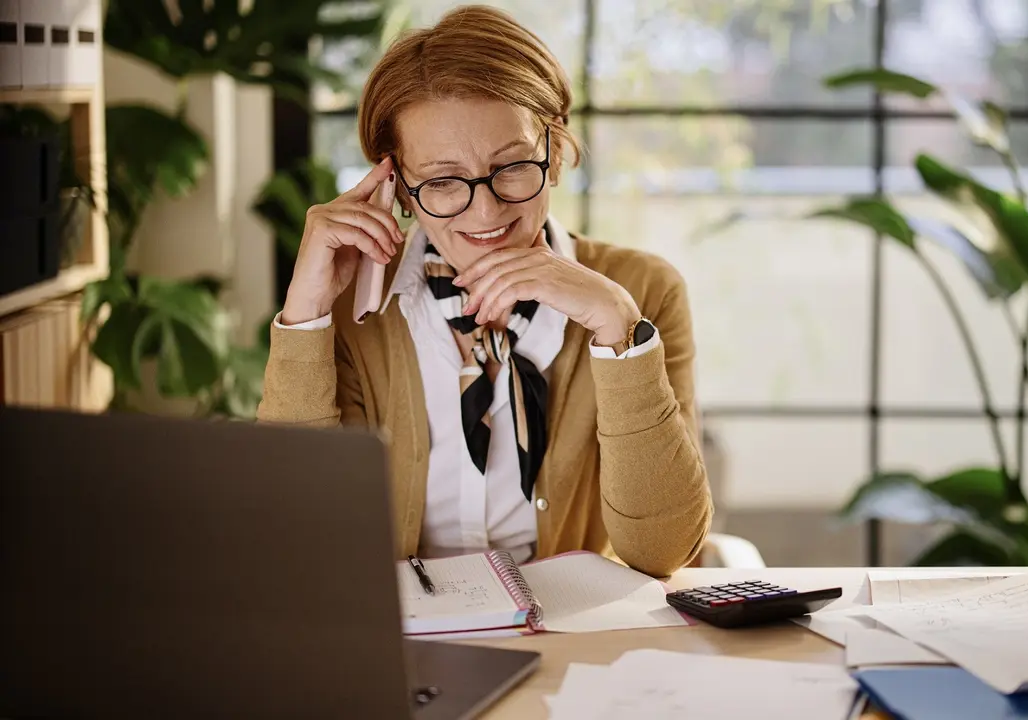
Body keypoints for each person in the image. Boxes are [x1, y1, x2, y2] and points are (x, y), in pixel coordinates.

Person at [258, 5, 711, 577]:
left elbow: (666, 550)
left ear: (557, 153)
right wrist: (305, 318)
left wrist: (618, 326)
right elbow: (294, 541)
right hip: (400, 643)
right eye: (444, 181)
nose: (487, 209)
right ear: (396, 185)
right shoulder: (353, 306)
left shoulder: (645, 290)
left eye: (514, 166)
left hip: (569, 642)